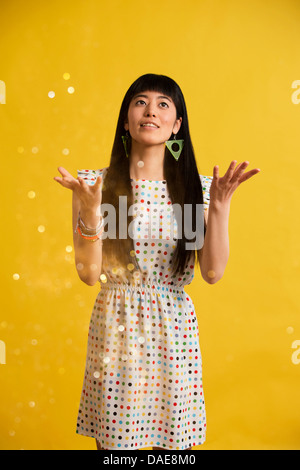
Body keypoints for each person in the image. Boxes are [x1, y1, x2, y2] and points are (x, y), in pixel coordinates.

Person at [53, 73, 260, 451]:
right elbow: (89, 274)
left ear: (177, 124)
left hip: (174, 332)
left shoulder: (196, 190)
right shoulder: (94, 185)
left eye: (163, 104)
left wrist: (221, 206)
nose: (151, 111)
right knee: (116, 449)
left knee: (173, 448)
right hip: (117, 327)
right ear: (127, 119)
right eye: (140, 102)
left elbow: (212, 273)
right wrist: (89, 211)